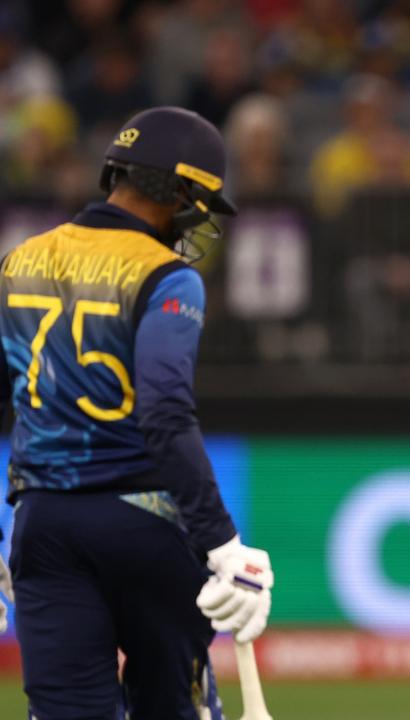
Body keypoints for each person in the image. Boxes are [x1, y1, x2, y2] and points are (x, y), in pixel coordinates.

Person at [0, 106, 274, 718]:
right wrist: (222, 542)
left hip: (44, 525)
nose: (199, 216)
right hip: (145, 522)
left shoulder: (18, 263)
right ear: (176, 188)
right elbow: (166, 414)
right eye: (198, 200)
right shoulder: (166, 276)